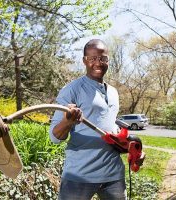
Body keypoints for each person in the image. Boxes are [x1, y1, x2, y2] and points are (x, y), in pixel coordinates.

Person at [49, 39, 145, 200]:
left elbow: (110, 127)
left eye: (102, 58)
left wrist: (133, 149)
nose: (98, 63)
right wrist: (67, 121)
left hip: (113, 176)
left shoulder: (113, 92)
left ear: (108, 60)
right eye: (92, 58)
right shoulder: (71, 90)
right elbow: (54, 137)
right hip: (79, 176)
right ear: (84, 61)